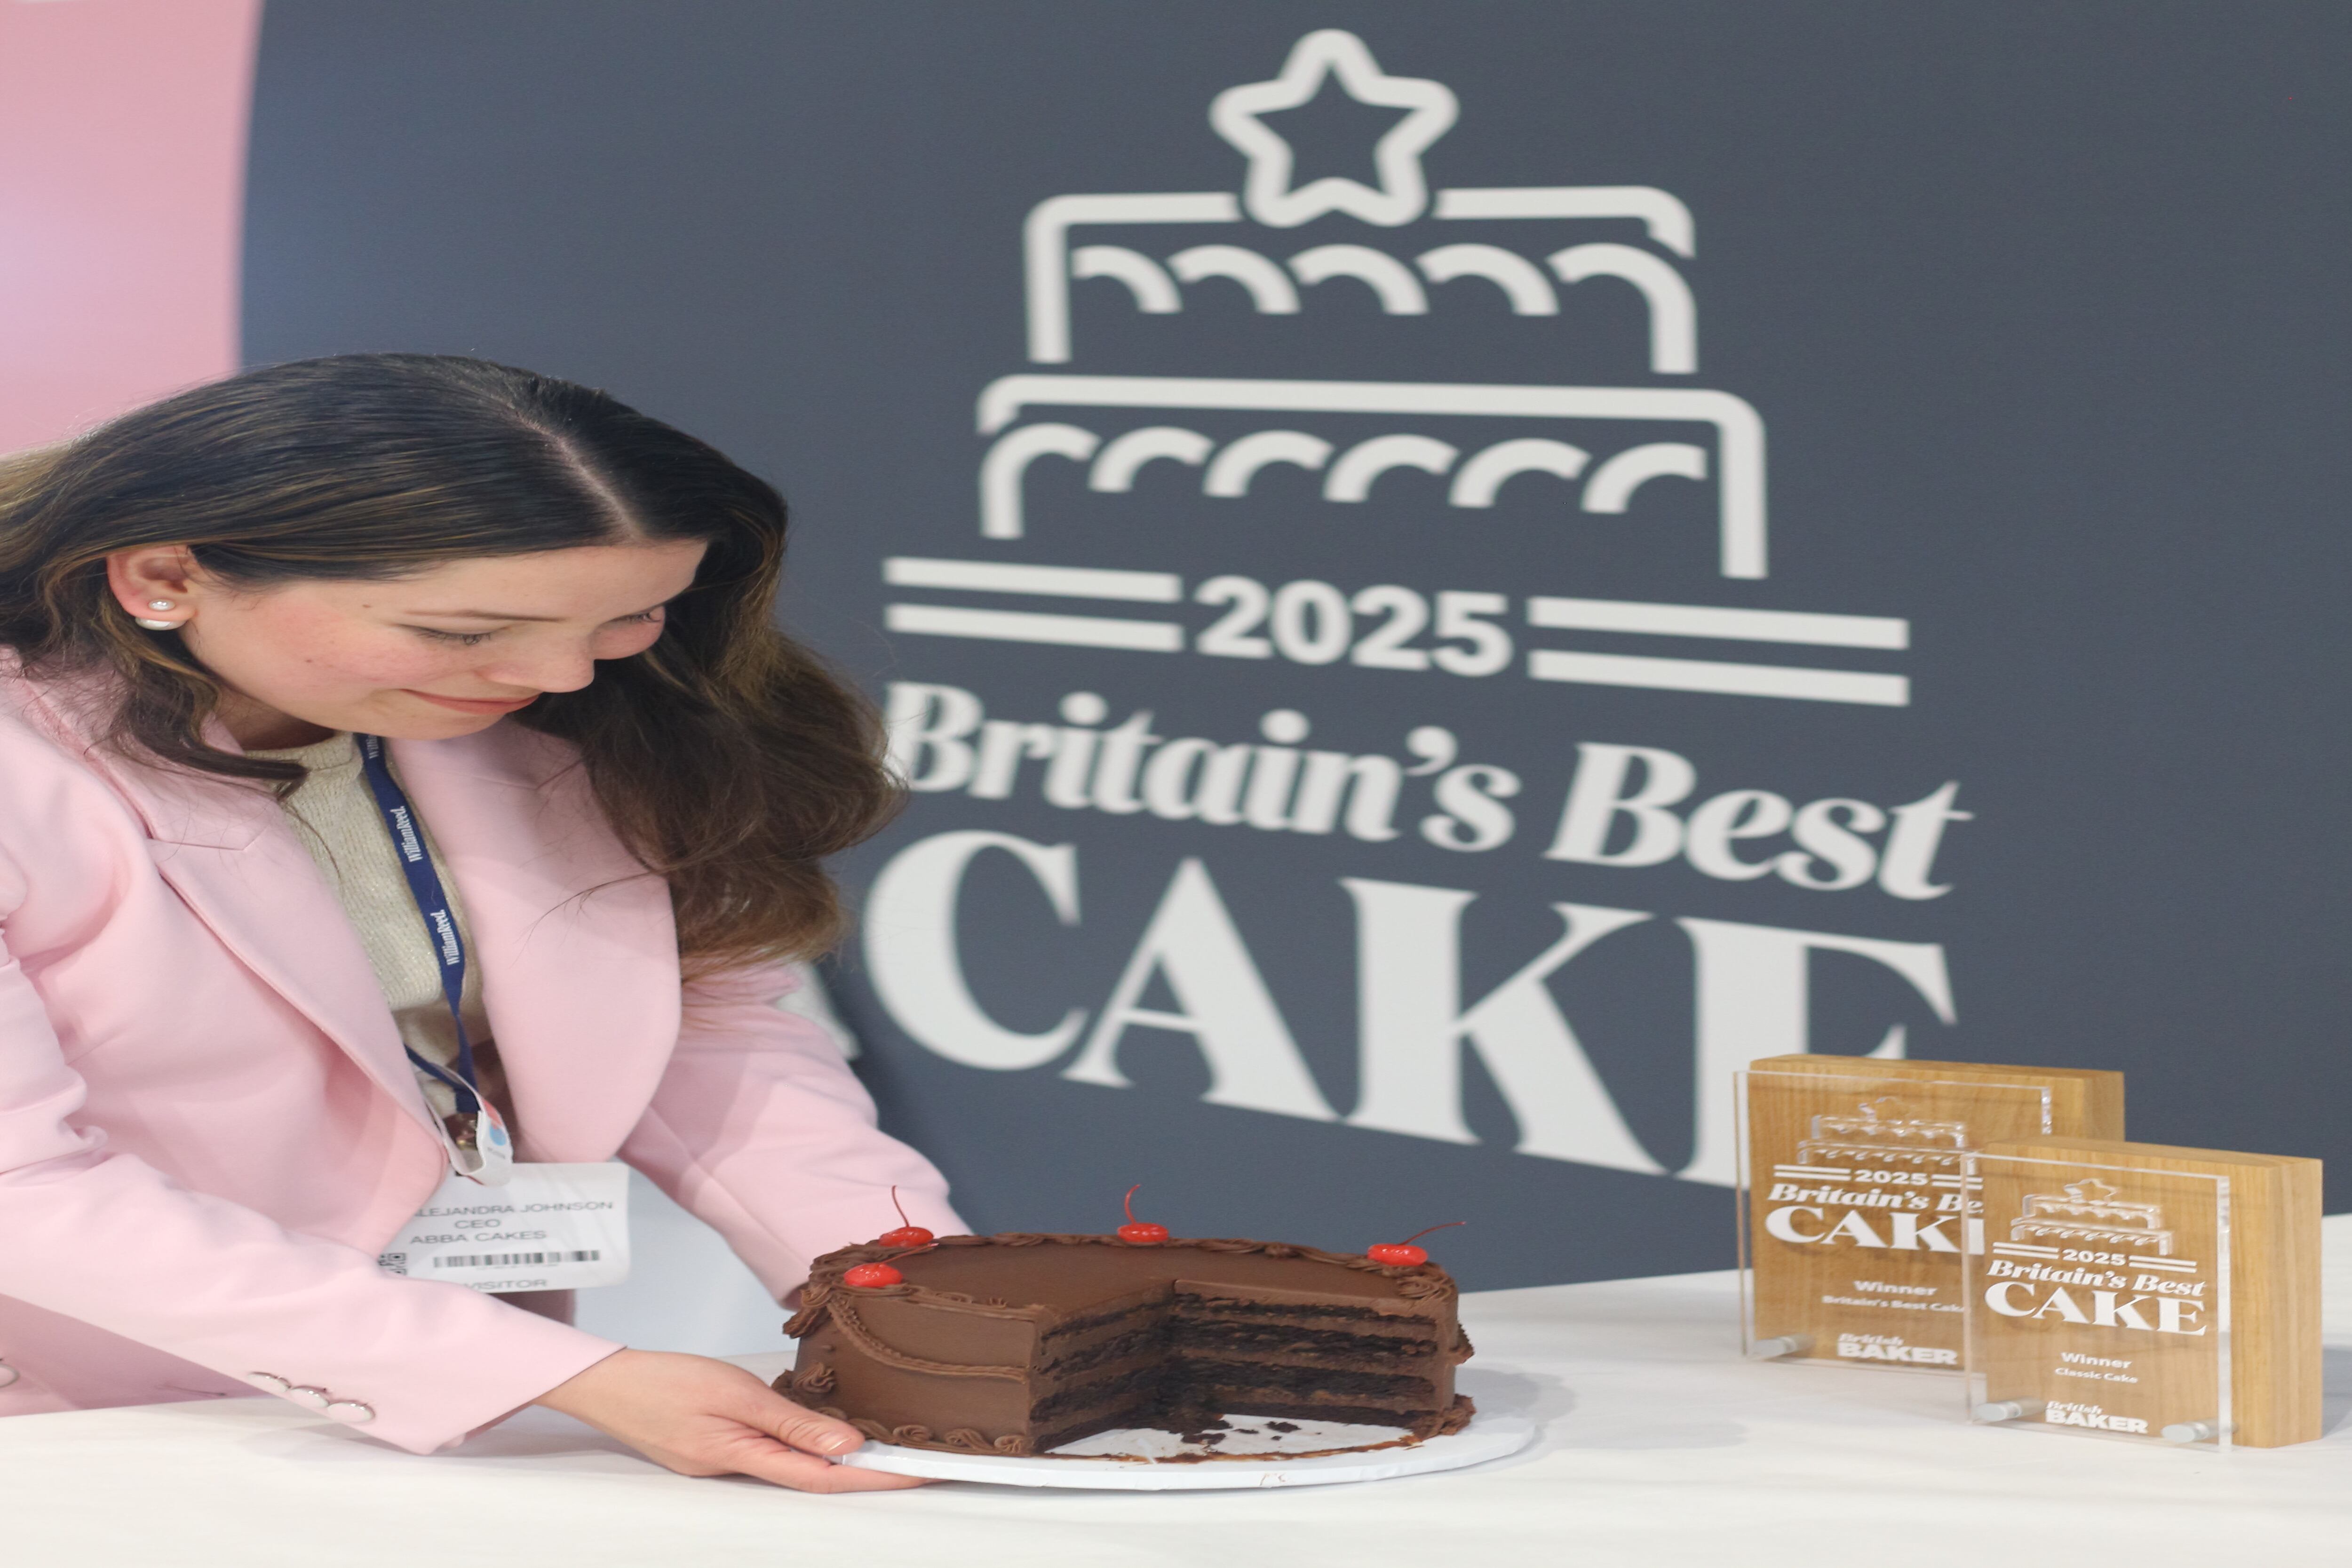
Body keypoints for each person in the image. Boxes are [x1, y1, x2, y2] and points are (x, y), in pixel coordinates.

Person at [0, 354, 960, 1492]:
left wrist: (933, 1312)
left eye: (629, 614)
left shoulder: (586, 726)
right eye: (465, 629)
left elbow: (716, 1044)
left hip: (467, 1404)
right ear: (163, 576)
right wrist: (563, 1376)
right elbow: (26, 1188)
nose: (553, 669)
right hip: (73, 1422)